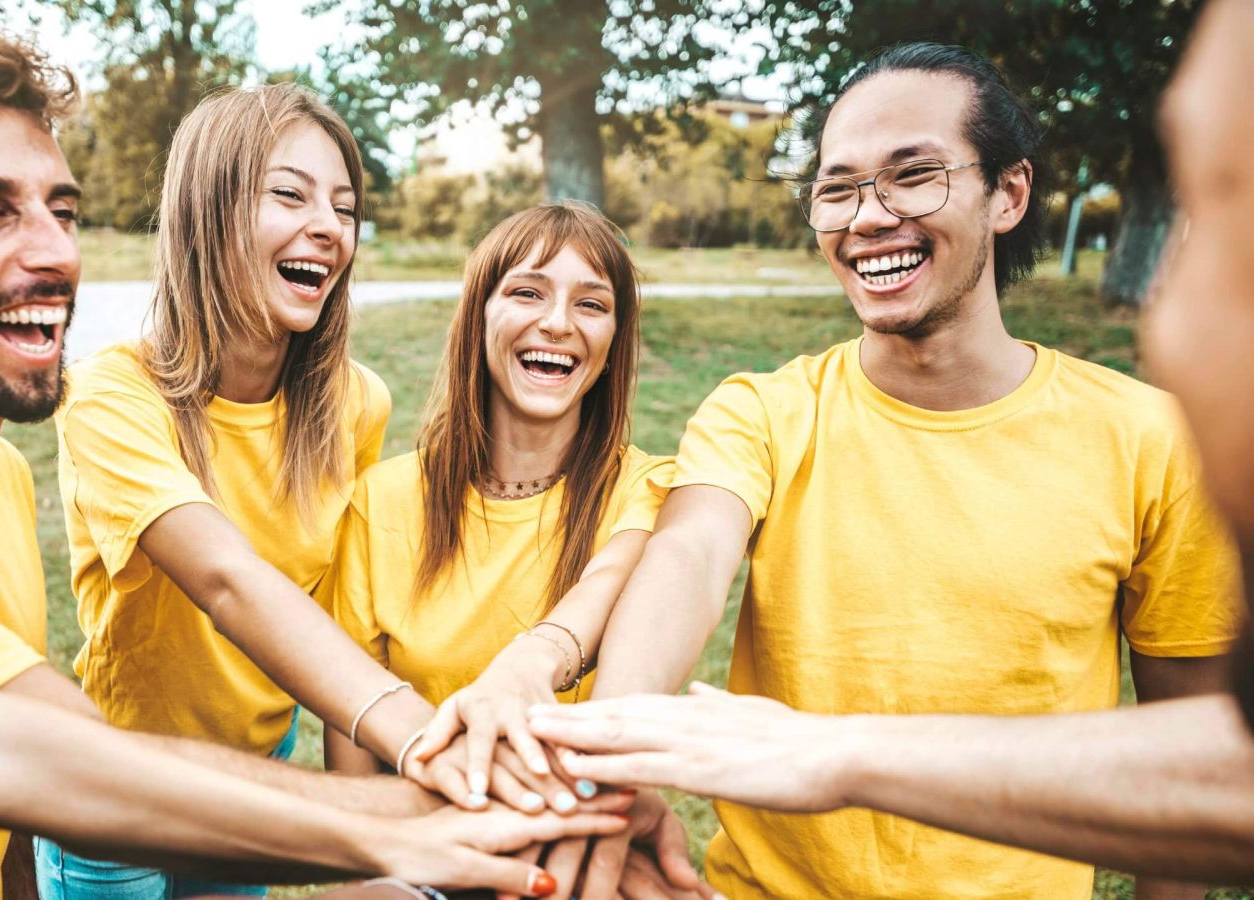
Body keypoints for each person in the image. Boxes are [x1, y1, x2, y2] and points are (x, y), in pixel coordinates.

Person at [0, 11, 619, 899]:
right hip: (125, 798)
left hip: (225, 777)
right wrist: (419, 797)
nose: (53, 253)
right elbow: (42, 752)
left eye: (61, 212)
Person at [531, 0, 1254, 886]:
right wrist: (621, 750)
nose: (867, 217)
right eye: (837, 188)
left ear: (1009, 193)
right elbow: (686, 557)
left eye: (914, 175)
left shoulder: (1148, 440)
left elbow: (1198, 752)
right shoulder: (762, 411)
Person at [0, 285, 617, 900]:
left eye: (59, 208)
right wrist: (424, 787)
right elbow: (218, 588)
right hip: (123, 768)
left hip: (247, 755)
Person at [44, 82, 575, 896]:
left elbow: (342, 616)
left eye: (345, 208)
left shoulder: (355, 405)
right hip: (121, 792)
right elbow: (229, 580)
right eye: (288, 194)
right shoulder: (115, 395)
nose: (327, 228)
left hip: (260, 787)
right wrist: (422, 743)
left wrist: (366, 817)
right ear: (207, 211)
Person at [320, 203, 699, 900]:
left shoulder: (650, 490)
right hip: (423, 857)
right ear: (479, 316)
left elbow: (616, 576)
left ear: (613, 341)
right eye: (527, 292)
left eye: (592, 304)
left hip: (575, 859)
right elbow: (353, 771)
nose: (558, 322)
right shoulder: (382, 502)